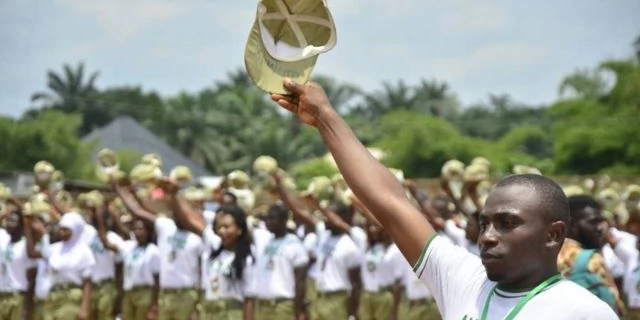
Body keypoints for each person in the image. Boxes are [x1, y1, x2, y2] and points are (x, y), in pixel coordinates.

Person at [270, 77, 619, 319]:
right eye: (485, 223)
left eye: (507, 223)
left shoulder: (584, 311)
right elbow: (391, 205)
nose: (489, 236)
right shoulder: (463, 278)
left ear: (553, 234)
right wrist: (325, 119)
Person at [557, 195, 624, 315]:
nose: (600, 229)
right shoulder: (591, 260)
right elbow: (615, 308)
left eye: (601, 222)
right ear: (571, 224)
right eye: (593, 222)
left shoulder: (545, 253)